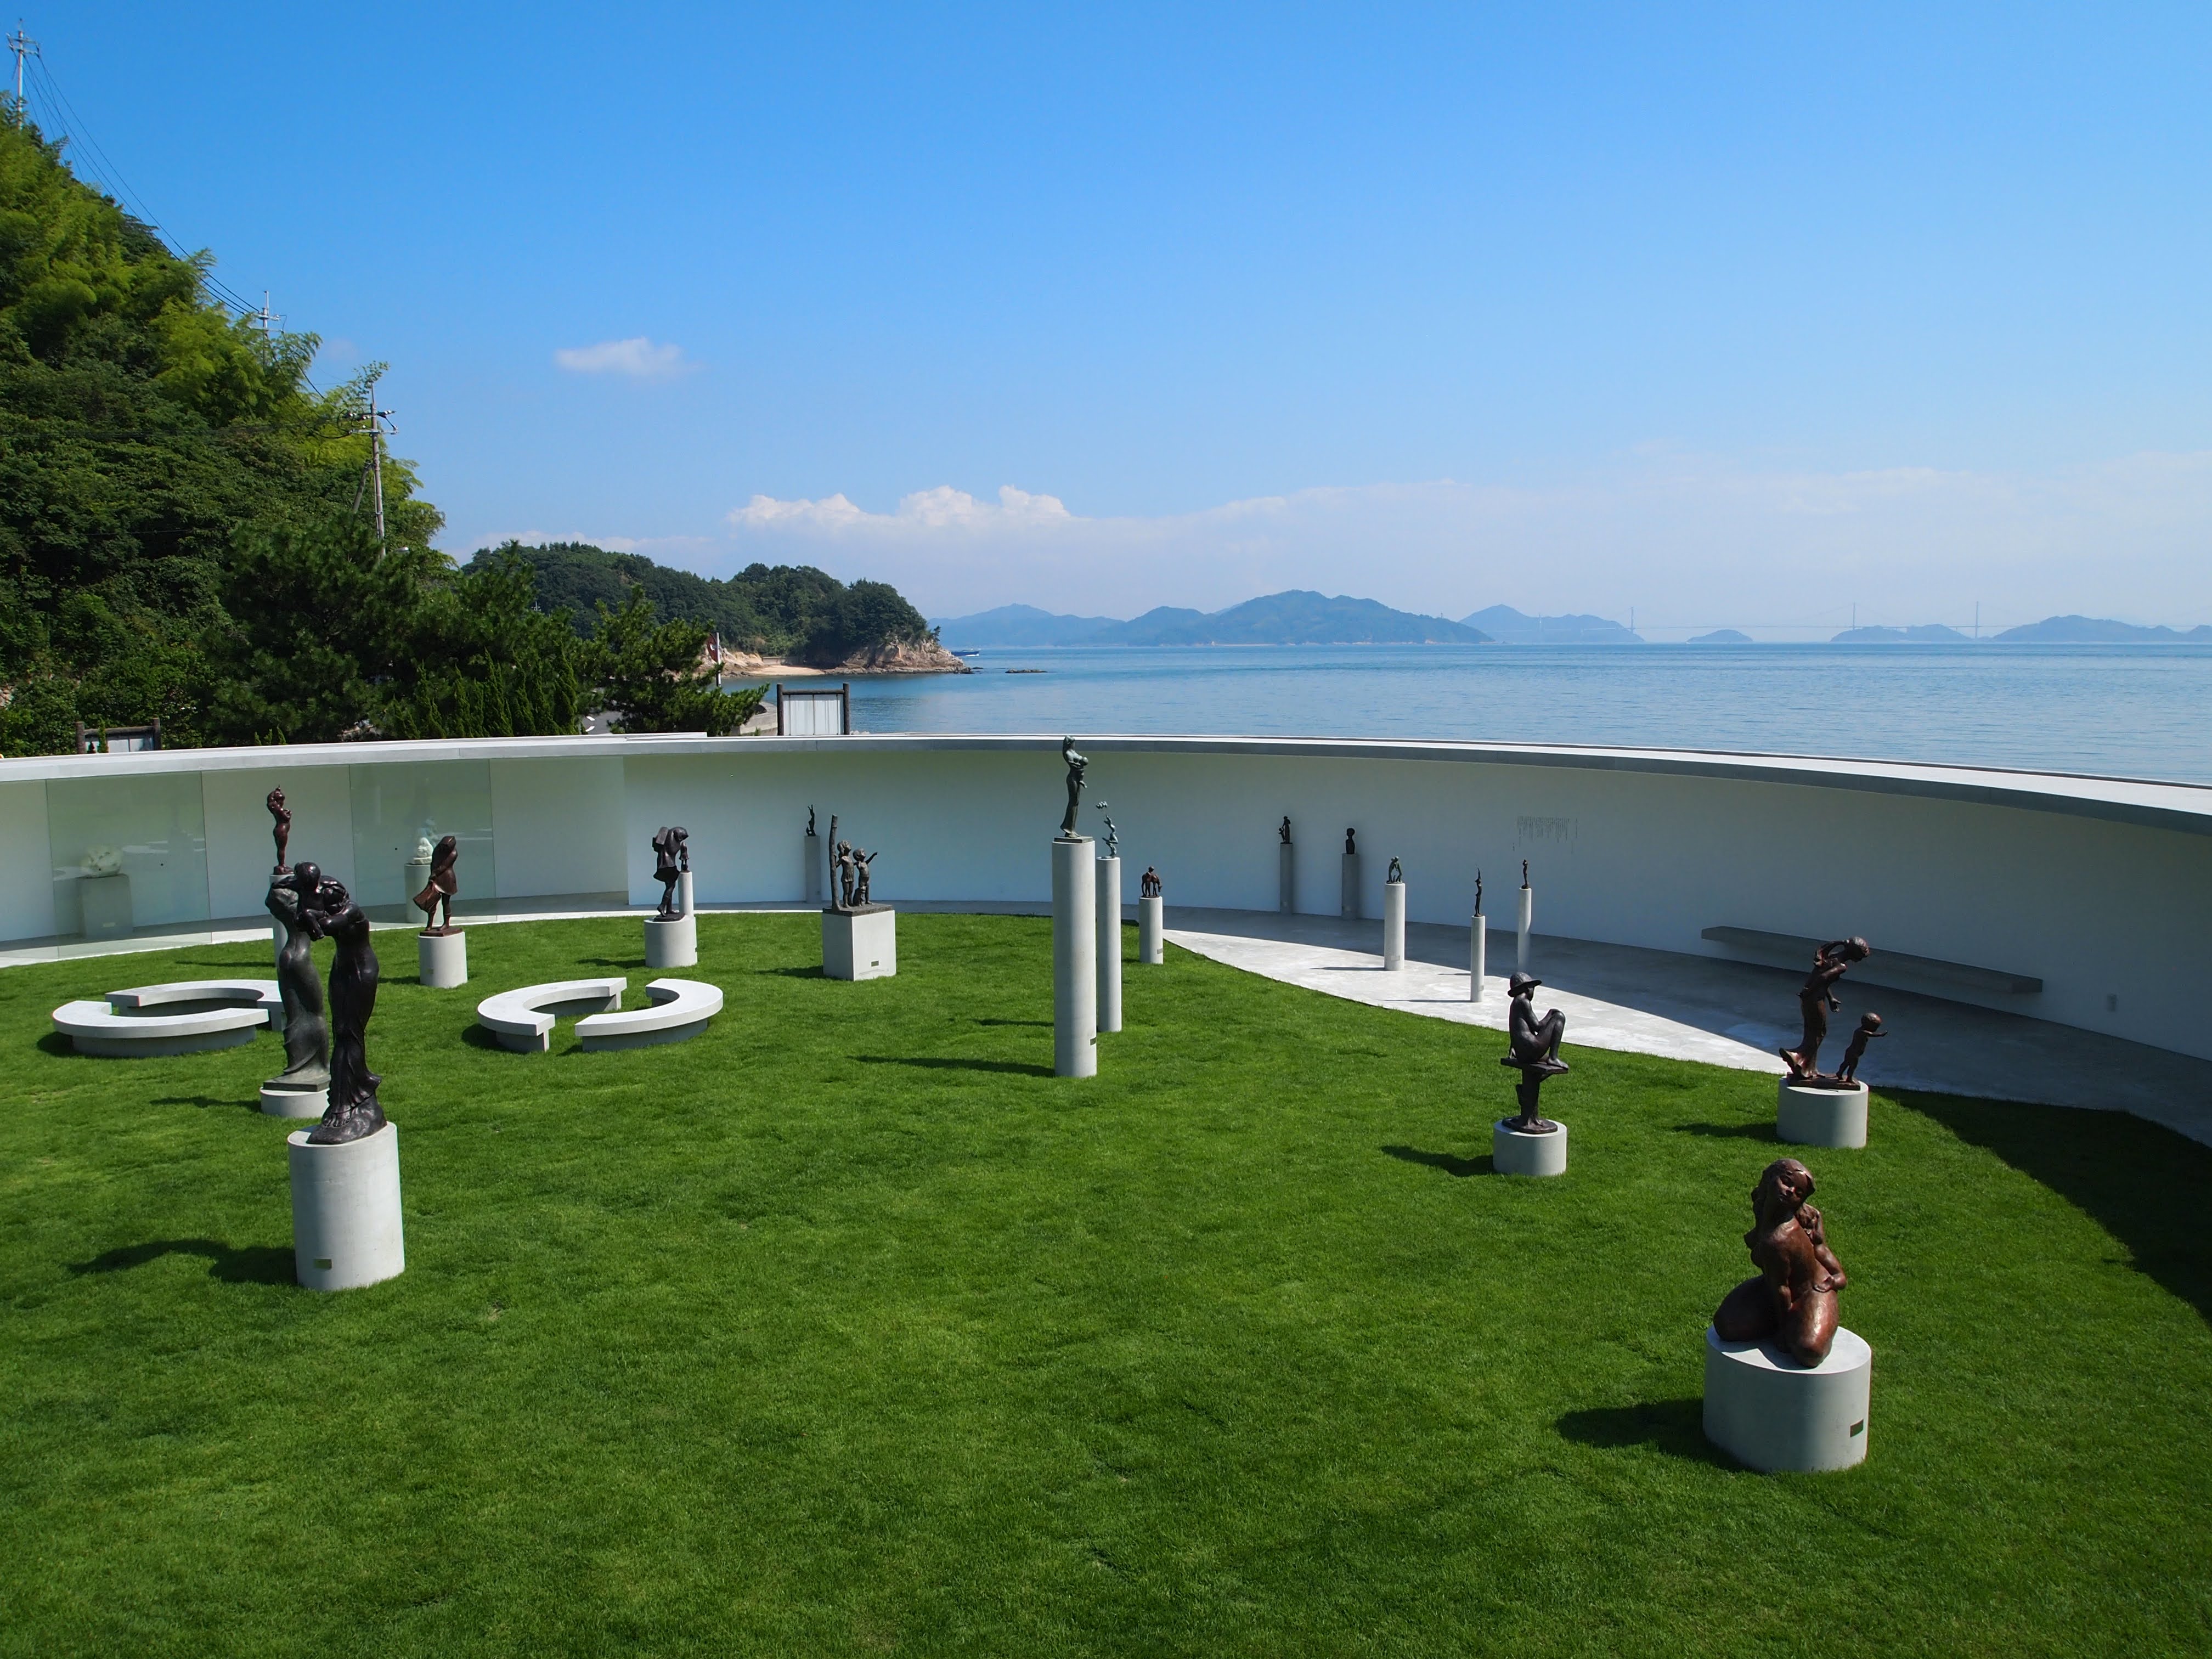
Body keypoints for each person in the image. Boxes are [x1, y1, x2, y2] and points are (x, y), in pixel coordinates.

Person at [1713, 1158, 1848, 1365]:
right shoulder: (1763, 1212)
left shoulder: (1780, 1239)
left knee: (1809, 1350)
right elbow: (1778, 1285)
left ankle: (1797, 1321)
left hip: (1812, 1290)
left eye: (1798, 1193)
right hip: (1774, 1284)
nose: (1790, 1191)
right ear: (1770, 1178)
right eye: (1786, 1182)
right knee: (1726, 1325)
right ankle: (1782, 1320)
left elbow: (1783, 1290)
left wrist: (1783, 1331)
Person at [300, 876, 384, 1146]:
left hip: (361, 973)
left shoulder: (351, 911)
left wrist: (308, 914)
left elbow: (323, 928)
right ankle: (347, 1095)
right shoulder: (334, 910)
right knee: (341, 1032)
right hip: (342, 971)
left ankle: (353, 1097)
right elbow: (307, 924)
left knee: (350, 1034)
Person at [1781, 937, 1872, 1082]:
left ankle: (1809, 1069)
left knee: (1813, 1030)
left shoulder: (1832, 957)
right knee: (1819, 1031)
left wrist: (1830, 999)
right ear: (1854, 954)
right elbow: (1823, 978)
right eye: (1860, 957)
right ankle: (1797, 1057)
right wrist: (1809, 991)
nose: (1860, 960)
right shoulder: (1841, 966)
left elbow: (1824, 980)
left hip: (1812, 997)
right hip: (1815, 998)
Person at [413, 834, 460, 935]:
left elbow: (443, 867)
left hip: (447, 880)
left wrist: (433, 875)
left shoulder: (453, 853)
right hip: (436, 878)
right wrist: (432, 877)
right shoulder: (438, 850)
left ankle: (446, 923)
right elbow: (434, 863)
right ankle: (429, 924)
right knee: (432, 902)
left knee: (445, 902)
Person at [1835, 1012, 1885, 1084]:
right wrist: (1881, 1035)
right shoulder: (1862, 1032)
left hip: (1852, 1052)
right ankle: (1849, 1078)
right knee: (1852, 1066)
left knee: (1846, 1063)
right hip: (1854, 1053)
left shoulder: (1861, 1031)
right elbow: (1871, 1034)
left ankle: (1840, 1073)